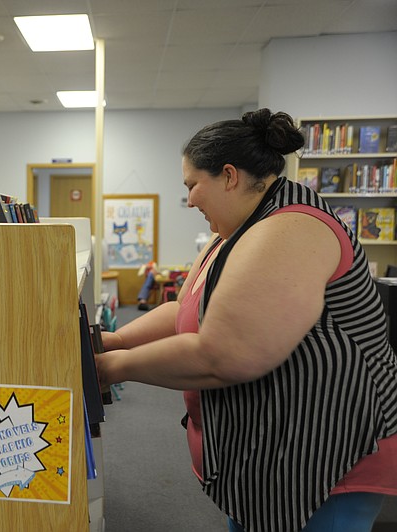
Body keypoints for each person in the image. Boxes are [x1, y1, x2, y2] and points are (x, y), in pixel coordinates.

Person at [96, 108, 397, 532]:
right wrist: (116, 340)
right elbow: (183, 308)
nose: (190, 200)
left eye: (193, 185)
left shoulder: (291, 228)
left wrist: (110, 368)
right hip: (274, 448)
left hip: (329, 451)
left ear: (230, 176)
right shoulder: (234, 231)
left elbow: (224, 354)